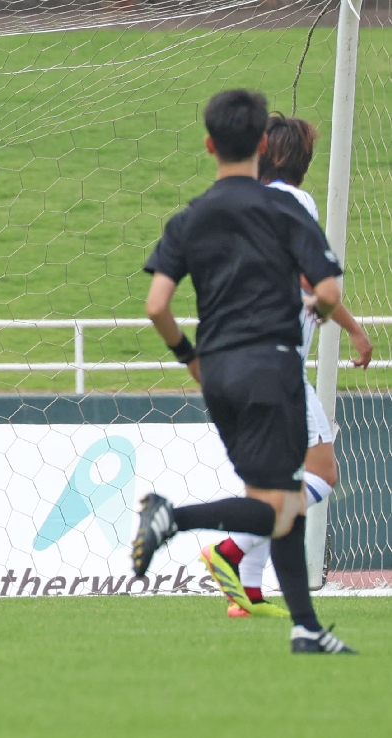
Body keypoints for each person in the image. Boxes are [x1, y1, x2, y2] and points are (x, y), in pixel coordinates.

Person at [135, 89, 354, 654]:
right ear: (262, 146)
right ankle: (174, 519)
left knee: (279, 498)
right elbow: (325, 289)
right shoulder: (283, 208)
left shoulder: (191, 216)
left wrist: (191, 359)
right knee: (282, 501)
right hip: (272, 366)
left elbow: (157, 304)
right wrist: (323, 314)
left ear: (209, 145)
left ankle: (302, 626)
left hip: (219, 374)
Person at [199, 113, 373, 618]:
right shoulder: (295, 202)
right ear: (303, 162)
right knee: (323, 472)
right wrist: (352, 326)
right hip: (275, 363)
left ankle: (245, 594)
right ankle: (229, 551)